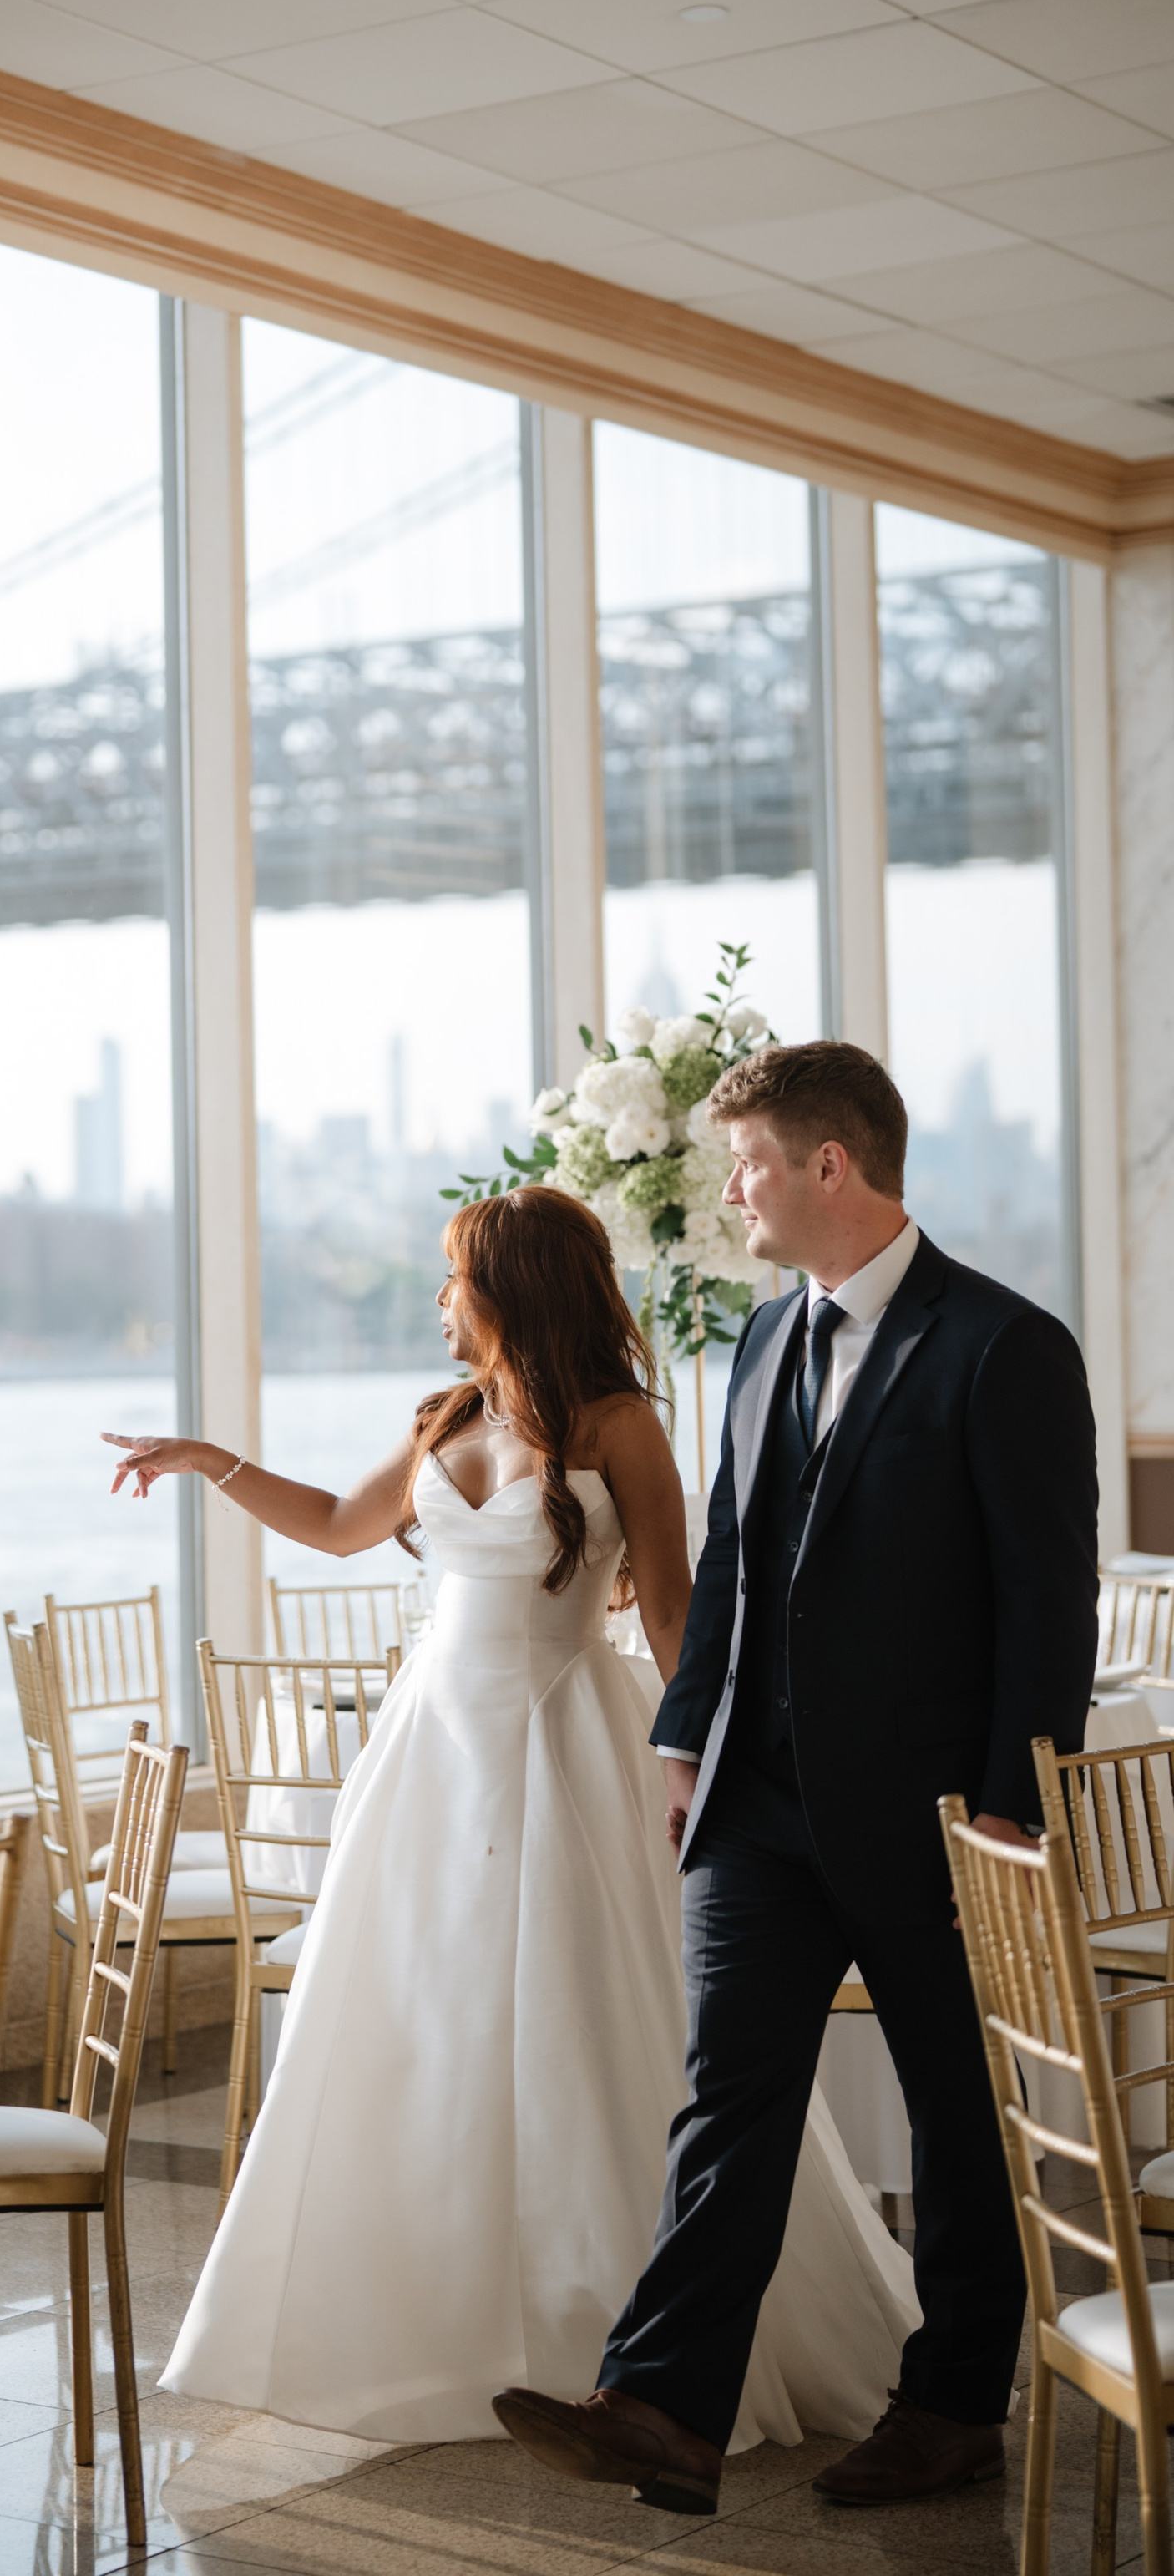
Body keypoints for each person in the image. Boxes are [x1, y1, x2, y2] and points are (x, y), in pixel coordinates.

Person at [104, 1180, 917, 2451]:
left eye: (453, 1278)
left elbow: (669, 1608)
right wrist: (209, 1461)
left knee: (587, 2024)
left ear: (511, 1286)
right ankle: (433, 2326)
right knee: (426, 2022)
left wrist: (699, 1755)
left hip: (567, 1741)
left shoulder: (620, 1424)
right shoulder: (449, 1416)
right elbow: (331, 1524)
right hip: (432, 1753)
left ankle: (609, 2336)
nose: (439, 1301)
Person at [497, 1041, 1097, 2515]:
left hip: (944, 1817)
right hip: (756, 1807)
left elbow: (1048, 1605)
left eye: (750, 1163)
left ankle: (955, 2404)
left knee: (958, 2114)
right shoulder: (766, 1341)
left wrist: (1012, 1813)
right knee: (730, 2095)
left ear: (833, 1166)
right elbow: (735, 1571)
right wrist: (686, 1737)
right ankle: (665, 2408)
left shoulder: (1006, 1348)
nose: (733, 1192)